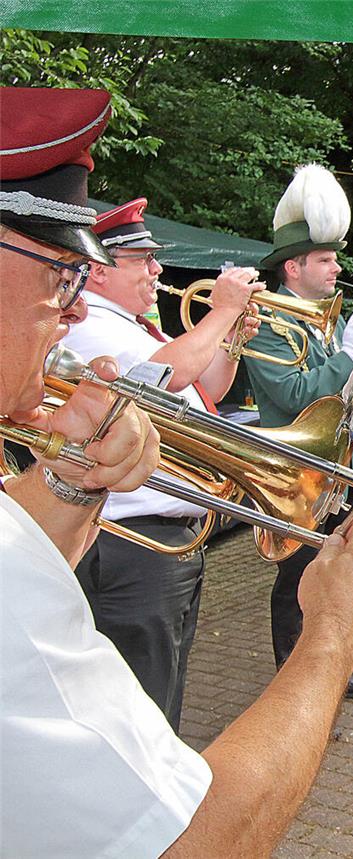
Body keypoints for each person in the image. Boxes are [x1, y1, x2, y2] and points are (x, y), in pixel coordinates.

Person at [0, 85, 353, 858]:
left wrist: (71, 482)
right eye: (60, 276)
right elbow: (192, 842)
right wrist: (333, 637)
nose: (76, 310)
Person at [62, 197, 263, 729]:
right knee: (140, 698)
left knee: (164, 683)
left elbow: (206, 386)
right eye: (143, 259)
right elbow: (167, 377)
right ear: (99, 269)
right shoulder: (89, 327)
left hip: (167, 538)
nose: (157, 270)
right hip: (128, 542)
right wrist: (220, 311)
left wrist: (233, 336)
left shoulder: (134, 326)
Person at [242, 165, 353, 698]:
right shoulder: (270, 323)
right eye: (325, 260)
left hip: (333, 469)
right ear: (293, 266)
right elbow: (298, 398)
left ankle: (330, 669)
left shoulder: (316, 320)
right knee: (299, 581)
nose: (336, 268)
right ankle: (293, 683)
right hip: (296, 478)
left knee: (332, 575)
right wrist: (350, 355)